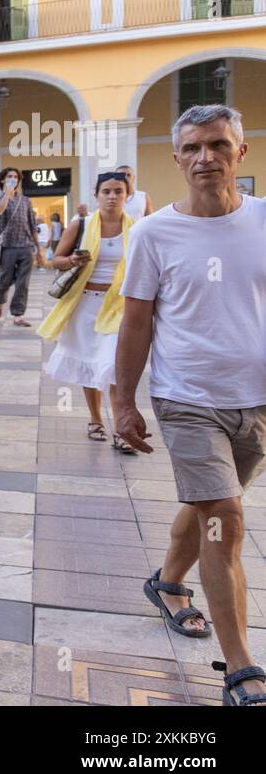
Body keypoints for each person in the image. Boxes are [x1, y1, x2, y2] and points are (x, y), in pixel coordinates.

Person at [115, 104, 266, 707]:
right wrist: (124, 402)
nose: (206, 157)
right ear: (177, 160)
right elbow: (135, 321)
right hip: (187, 398)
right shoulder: (154, 233)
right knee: (224, 520)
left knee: (208, 507)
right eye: (194, 149)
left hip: (256, 403)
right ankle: (240, 668)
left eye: (218, 145)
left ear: (240, 151)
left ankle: (168, 582)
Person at [38, 173, 133, 449]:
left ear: (127, 194)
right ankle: (95, 420)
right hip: (85, 303)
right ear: (97, 195)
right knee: (89, 364)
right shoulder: (82, 224)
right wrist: (71, 259)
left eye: (118, 191)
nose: (112, 196)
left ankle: (121, 429)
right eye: (106, 191)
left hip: (117, 306)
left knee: (115, 368)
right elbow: (54, 261)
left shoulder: (136, 228)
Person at [0, 167, 37, 327]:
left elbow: (32, 225)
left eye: (15, 177)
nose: (13, 179)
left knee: (23, 283)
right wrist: (7, 195)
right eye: (9, 176)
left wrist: (39, 249)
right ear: (3, 180)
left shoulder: (25, 200)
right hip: (8, 246)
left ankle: (18, 315)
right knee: (5, 280)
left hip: (26, 246)